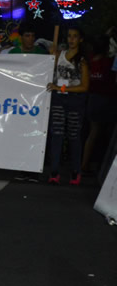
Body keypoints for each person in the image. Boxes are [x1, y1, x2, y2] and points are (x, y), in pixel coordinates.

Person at [47, 26, 89, 185]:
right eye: (69, 36)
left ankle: (75, 171)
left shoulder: (82, 61)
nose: (71, 39)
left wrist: (62, 88)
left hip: (75, 100)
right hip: (59, 99)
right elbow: (50, 70)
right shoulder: (60, 55)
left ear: (80, 39)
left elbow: (85, 86)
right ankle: (54, 172)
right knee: (57, 134)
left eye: (75, 36)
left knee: (73, 136)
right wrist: (51, 57)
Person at [10, 22, 48, 183]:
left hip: (37, 101)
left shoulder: (42, 53)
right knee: (19, 134)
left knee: (34, 134)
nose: (30, 39)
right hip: (18, 101)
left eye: (33, 36)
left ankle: (32, 169)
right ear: (21, 37)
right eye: (27, 35)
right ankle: (21, 167)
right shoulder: (13, 53)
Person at [81, 34, 117, 174]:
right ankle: (93, 165)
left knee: (93, 133)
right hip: (106, 100)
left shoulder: (90, 61)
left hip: (92, 99)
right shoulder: (109, 62)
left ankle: (86, 164)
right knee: (103, 134)